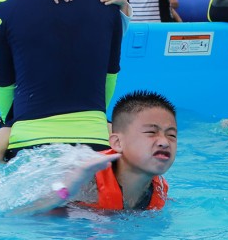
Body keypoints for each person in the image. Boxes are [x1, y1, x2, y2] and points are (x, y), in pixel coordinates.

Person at [0, 0, 123, 162]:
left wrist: (8, 123)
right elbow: (110, 76)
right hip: (95, 144)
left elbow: (3, 82)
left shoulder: (4, 8)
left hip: (28, 145)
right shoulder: (108, 1)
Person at [17, 91, 177, 214]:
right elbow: (19, 216)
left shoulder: (159, 190)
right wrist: (66, 189)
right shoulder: (87, 182)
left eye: (171, 135)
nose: (164, 142)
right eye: (151, 132)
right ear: (117, 143)